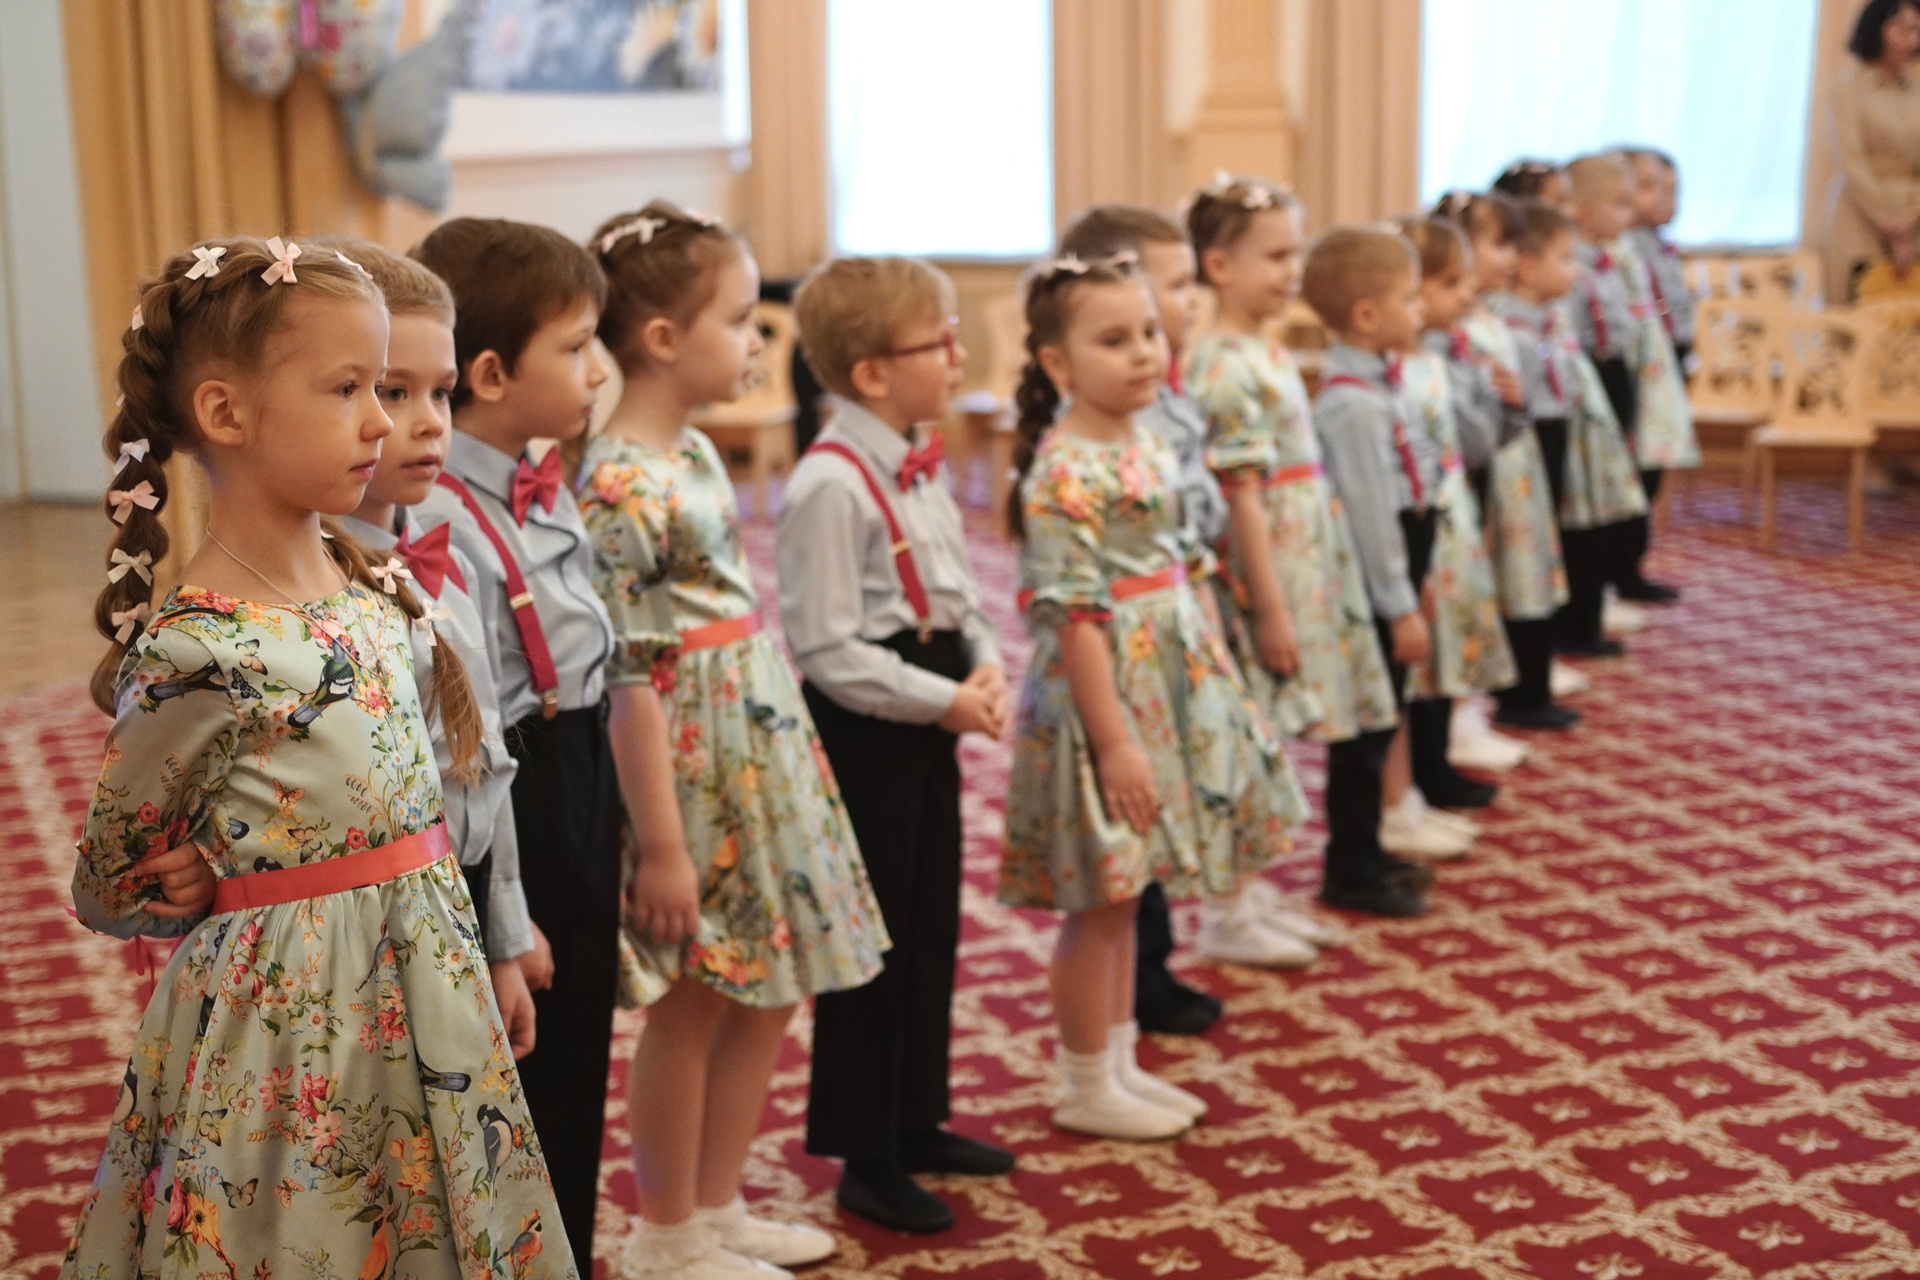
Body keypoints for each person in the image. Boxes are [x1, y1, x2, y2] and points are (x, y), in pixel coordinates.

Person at [63, 237, 575, 1277]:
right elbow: (108, 883)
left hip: (429, 991)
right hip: (291, 1034)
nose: (381, 421)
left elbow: (438, 797)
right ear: (226, 413)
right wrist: (187, 880)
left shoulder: (376, 590)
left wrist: (492, 945)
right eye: (350, 389)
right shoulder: (199, 644)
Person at [577, 204, 890, 1279]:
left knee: (769, 979)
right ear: (664, 338)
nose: (759, 340)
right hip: (688, 760)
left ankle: (715, 1209)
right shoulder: (616, 479)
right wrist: (662, 845)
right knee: (695, 993)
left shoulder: (699, 450)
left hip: (752, 735)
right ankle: (664, 1232)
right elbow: (626, 672)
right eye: (742, 319)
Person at [999, 252, 1304, 1140]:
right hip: (1104, 699)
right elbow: (1075, 620)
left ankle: (1120, 1061)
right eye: (1114, 340)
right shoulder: (1063, 471)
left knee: (1131, 893)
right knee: (1102, 896)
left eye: (1149, 334)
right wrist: (1117, 744)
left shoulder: (1146, 438)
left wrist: (1219, 679)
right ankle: (1083, 1080)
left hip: (1169, 675)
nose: (1143, 353)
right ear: (1057, 363)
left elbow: (1185, 565)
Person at [781, 256, 1014, 1236]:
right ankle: (863, 1153)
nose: (960, 356)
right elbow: (829, 647)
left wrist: (985, 662)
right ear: (873, 372)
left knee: (928, 921)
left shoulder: (916, 454)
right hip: (869, 724)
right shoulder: (828, 485)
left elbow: (955, 585)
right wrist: (943, 697)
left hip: (931, 705)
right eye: (942, 341)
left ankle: (917, 1115)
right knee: (871, 943)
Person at [411, 218, 622, 1261]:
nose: (600, 369)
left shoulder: (544, 480)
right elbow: (469, 735)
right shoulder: (441, 522)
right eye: (577, 346)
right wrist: (506, 912)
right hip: (518, 790)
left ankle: (569, 1244)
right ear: (490, 374)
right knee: (528, 1061)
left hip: (584, 764)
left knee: (584, 1040)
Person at [321, 236, 542, 1063]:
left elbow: (485, 761)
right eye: (389, 390)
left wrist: (506, 937)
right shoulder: (312, 597)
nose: (424, 423)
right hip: (372, 929)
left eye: (441, 393)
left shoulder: (455, 563)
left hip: (465, 891)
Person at [1184, 176, 1425, 921]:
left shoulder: (1267, 347)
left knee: (1316, 719)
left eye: (1296, 252)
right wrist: (1271, 609)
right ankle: (1233, 905)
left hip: (1312, 550)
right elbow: (1241, 495)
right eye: (1277, 256)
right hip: (1275, 566)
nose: (1294, 271)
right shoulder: (1223, 364)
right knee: (1257, 729)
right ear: (1219, 265)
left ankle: (1292, 878)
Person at [1056, 205, 1232, 1031]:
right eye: (1176, 285)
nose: (1188, 303)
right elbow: (1074, 601)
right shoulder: (1087, 447)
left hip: (1167, 632)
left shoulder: (1153, 418)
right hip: (1117, 654)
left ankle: (1137, 1001)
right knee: (1122, 845)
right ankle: (1117, 1026)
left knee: (1155, 820)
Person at [1302, 226, 1442, 921]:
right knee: (1363, 728)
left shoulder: (1382, 381)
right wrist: (1398, 603)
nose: (1421, 310)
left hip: (1403, 557)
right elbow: (1369, 516)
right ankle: (1349, 865)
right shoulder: (1352, 403)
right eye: (1409, 299)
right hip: (1373, 573)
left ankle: (1370, 847)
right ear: (1365, 315)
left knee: (1384, 716)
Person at [1380, 215, 1522, 861]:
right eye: (1442, 285)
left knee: (1448, 647)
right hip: (1418, 525)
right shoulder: (1390, 375)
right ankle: (1418, 780)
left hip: (1451, 516)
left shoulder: (1439, 359)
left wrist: (1503, 403)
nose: (1462, 295)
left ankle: (1435, 767)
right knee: (1420, 660)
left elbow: (1473, 441)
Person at [1436, 192, 1578, 732]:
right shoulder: (1457, 328)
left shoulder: (1489, 315)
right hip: (1488, 462)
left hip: (1515, 454)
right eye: (1498, 244)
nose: (1511, 256)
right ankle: (1483, 707)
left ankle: (1522, 687)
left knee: (1526, 568)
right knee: (1493, 577)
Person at [1488, 202, 1647, 662]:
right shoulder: (1510, 329)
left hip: (1560, 429)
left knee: (1565, 534)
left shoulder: (1547, 319)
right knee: (1536, 543)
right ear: (1528, 268)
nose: (1575, 270)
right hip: (1531, 437)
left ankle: (1567, 631)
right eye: (1564, 258)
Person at [1565, 153, 1682, 607]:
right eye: (1620, 203)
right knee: (1600, 484)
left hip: (1629, 368)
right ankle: (1597, 589)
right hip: (1593, 375)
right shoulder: (1577, 266)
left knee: (1633, 474)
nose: (1629, 213)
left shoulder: (1616, 257)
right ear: (1585, 209)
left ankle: (1623, 572)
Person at [1825, 0, 1920, 301]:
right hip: (1861, 216)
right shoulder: (1848, 85)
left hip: (1914, 218)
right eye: (1903, 30)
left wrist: (1911, 219)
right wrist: (1889, 222)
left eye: (1917, 31)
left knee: (1907, 318)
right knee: (1859, 312)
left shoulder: (1915, 90)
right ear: (1876, 28)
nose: (1912, 40)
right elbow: (1851, 161)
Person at [1623, 150, 1698, 369]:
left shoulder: (1661, 245)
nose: (1663, 198)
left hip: (1674, 346)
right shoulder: (1625, 247)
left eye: (1672, 191)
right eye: (1647, 186)